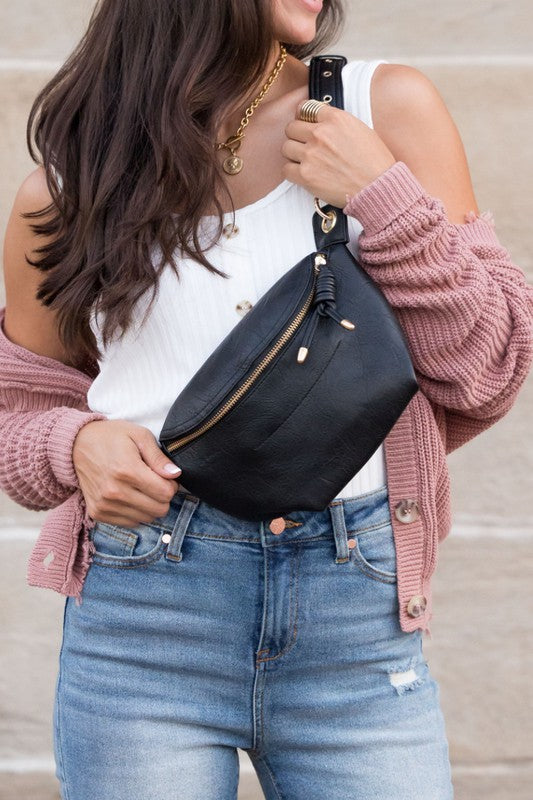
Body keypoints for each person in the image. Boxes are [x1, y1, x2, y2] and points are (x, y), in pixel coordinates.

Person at [1, 1, 532, 798]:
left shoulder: (378, 109)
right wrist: (74, 445)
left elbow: (485, 369)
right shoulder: (72, 184)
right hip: (145, 619)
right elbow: (21, 415)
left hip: (354, 616)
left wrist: (382, 197)